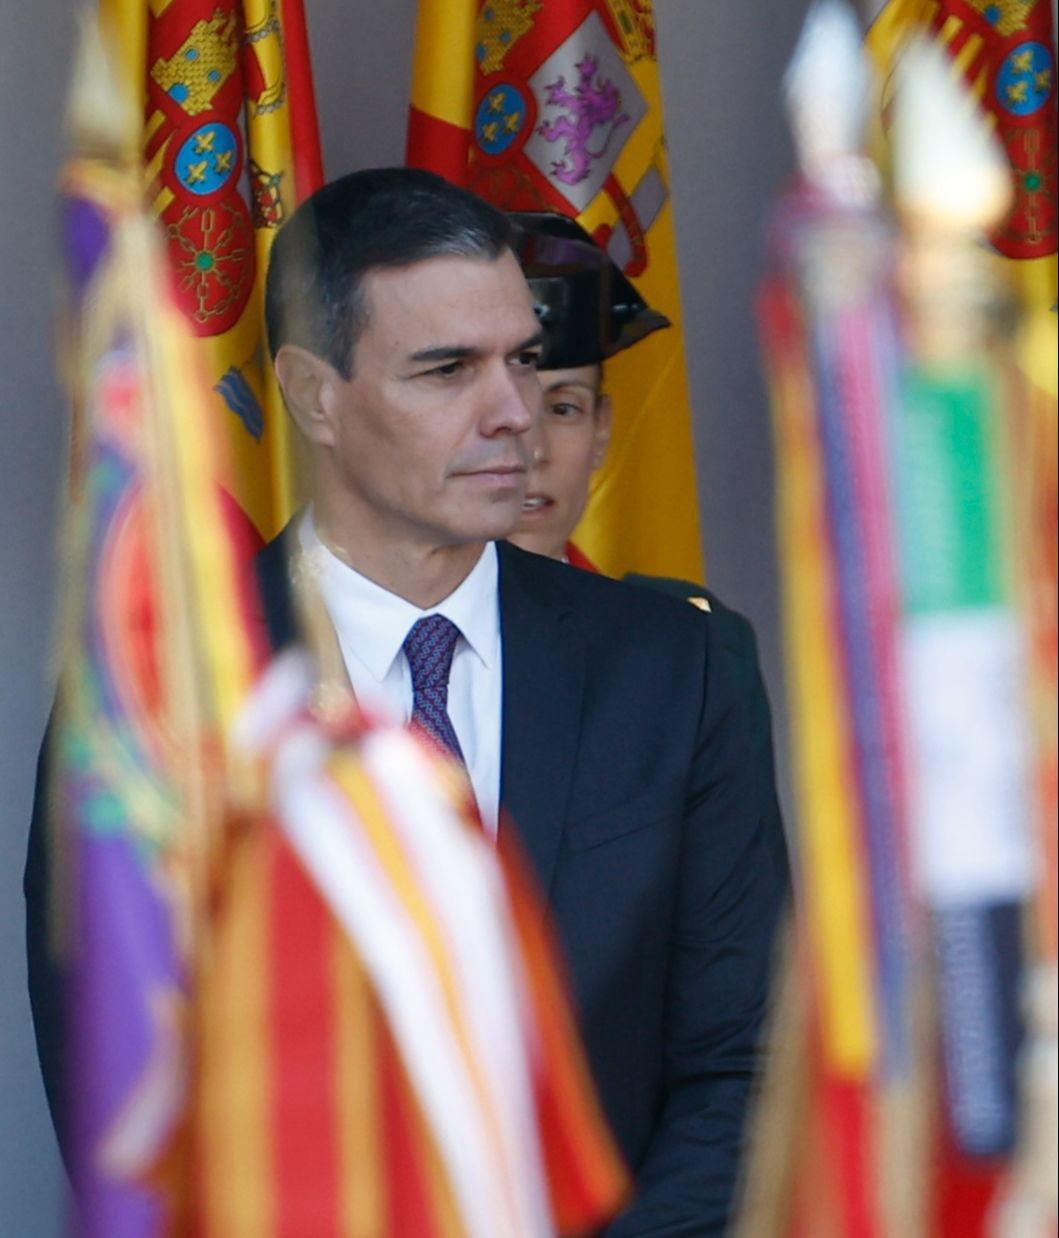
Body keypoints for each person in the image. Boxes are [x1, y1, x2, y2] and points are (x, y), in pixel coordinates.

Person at [29, 168, 782, 1235]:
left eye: (523, 358)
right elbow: (130, 1100)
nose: (516, 411)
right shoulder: (158, 698)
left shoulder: (678, 666)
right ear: (312, 394)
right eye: (447, 369)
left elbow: (741, 1064)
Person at [507, 210, 789, 892]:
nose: (531, 449)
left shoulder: (696, 652)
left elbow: (749, 957)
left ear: (602, 433)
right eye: (503, 402)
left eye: (565, 407)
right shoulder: (352, 641)